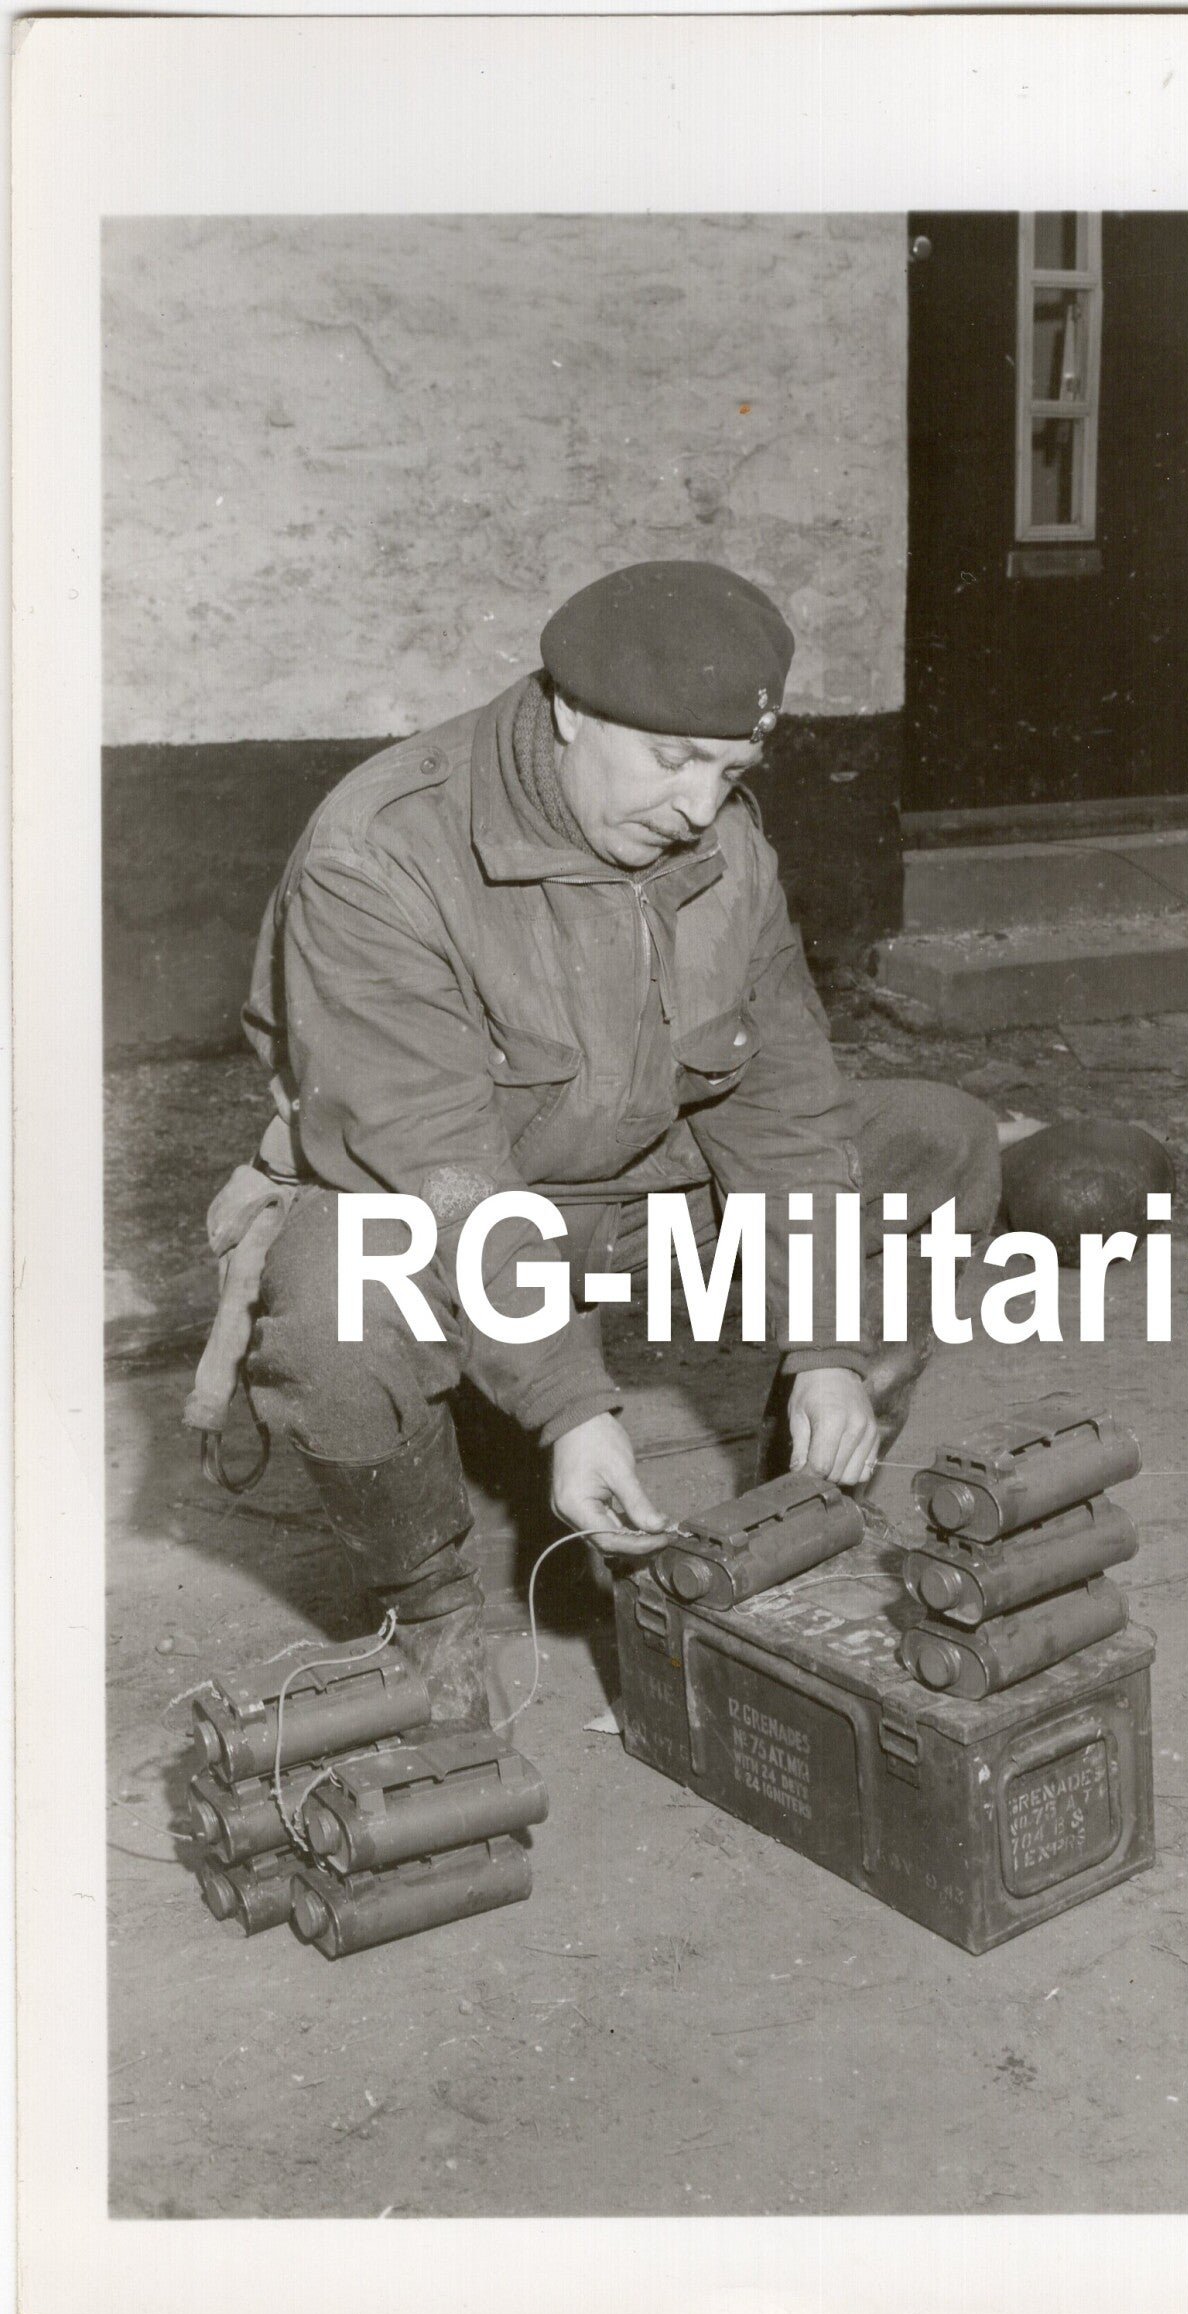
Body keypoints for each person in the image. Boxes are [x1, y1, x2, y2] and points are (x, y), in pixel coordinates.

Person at [186, 561, 1000, 1725]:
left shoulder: (722, 848)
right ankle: (427, 1609)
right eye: (671, 761)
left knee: (939, 1140)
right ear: (568, 710)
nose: (697, 810)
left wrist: (827, 1340)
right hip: (448, 1193)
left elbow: (779, 1102)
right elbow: (446, 1173)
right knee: (332, 1310)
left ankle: (802, 1514)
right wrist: (572, 1405)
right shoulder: (380, 853)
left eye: (730, 772)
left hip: (643, 1179)